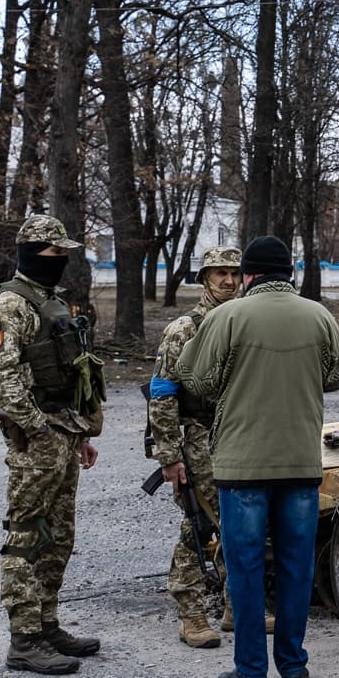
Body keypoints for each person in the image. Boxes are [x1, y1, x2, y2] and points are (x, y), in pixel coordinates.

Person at [178, 236, 339, 678]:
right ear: (288, 273)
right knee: (297, 565)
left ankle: (251, 670)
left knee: (246, 566)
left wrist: (230, 385)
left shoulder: (227, 316)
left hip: (242, 465)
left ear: (250, 274)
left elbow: (194, 377)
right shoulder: (318, 315)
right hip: (300, 461)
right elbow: (337, 374)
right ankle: (293, 665)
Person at [0, 214, 106, 675]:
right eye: (55, 254)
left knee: (60, 535)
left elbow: (69, 372)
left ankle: (47, 624)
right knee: (26, 535)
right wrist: (38, 429)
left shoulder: (50, 301)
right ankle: (24, 639)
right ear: (33, 254)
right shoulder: (9, 305)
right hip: (37, 441)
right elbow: (0, 378)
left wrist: (76, 435)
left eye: (64, 255)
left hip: (61, 434)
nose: (61, 261)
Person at [146, 246, 241, 649]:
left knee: (241, 521)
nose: (228, 281)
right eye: (219, 273)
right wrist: (169, 455)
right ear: (204, 278)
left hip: (240, 435)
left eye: (235, 273)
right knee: (199, 523)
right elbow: (163, 392)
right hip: (199, 437)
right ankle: (191, 612)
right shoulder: (185, 328)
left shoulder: (245, 322)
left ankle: (237, 606)